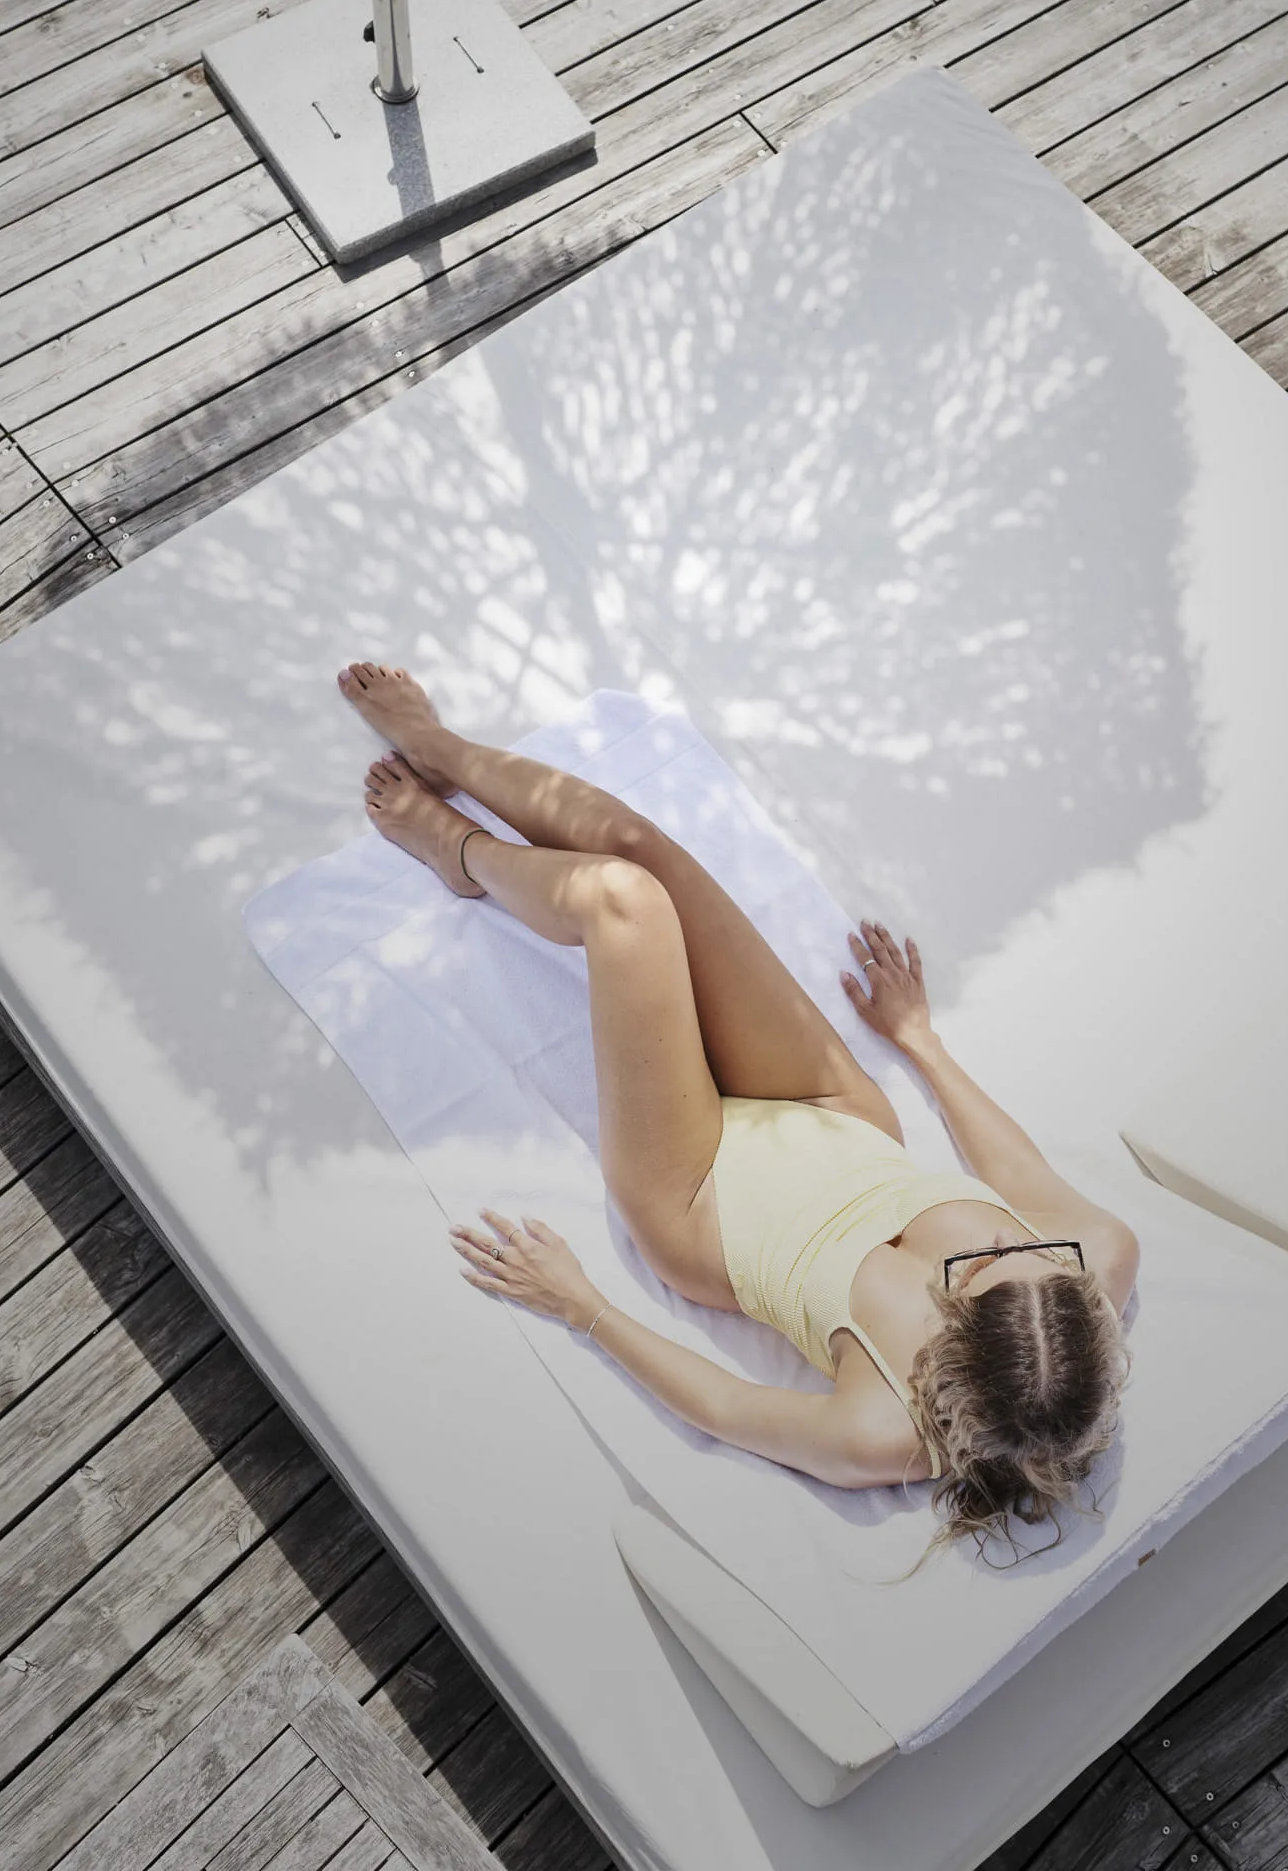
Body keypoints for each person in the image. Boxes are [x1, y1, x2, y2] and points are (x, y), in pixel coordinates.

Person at [339, 663, 1137, 1549]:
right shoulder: (1096, 1258)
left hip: (699, 1196)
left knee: (622, 902)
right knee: (646, 854)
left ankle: (456, 854)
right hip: (833, 1111)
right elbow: (1016, 1173)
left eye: (976, 1267)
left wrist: (582, 1305)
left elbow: (723, 1406)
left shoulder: (885, 1430)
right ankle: (441, 748)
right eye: (1019, 1248)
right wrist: (919, 1039)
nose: (997, 1238)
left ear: (949, 1354)